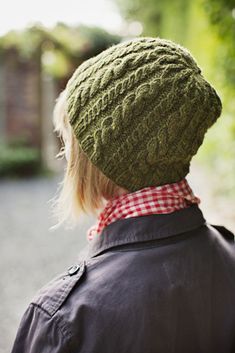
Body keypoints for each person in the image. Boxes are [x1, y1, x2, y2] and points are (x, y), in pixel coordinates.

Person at [11, 37, 235, 353]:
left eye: (69, 142)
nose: (66, 157)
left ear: (103, 158)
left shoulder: (63, 320)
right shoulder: (229, 256)